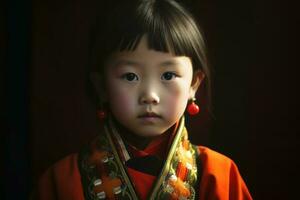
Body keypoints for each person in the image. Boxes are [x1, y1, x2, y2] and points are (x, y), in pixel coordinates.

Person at [34, 0, 252, 199]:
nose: (150, 95)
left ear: (194, 84)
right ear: (101, 87)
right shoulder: (62, 180)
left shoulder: (219, 175)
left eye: (168, 75)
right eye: (130, 76)